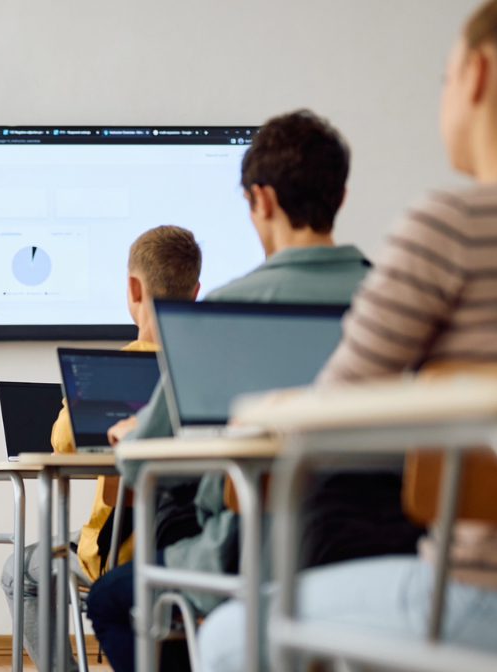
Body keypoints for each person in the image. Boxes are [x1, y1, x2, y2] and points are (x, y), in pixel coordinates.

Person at [198, 1, 497, 669]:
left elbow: (325, 419)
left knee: (226, 636)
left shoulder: (451, 226)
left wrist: (278, 411)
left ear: (478, 76)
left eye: (445, 77)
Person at [88, 109, 380, 671]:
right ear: (339, 196)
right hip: (380, 542)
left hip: (258, 549)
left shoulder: (227, 310)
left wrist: (132, 433)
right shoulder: (393, 299)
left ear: (262, 201)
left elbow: (143, 460)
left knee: (110, 598)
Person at [0, 225, 202, 671]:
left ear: (133, 288)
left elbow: (63, 444)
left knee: (19, 572)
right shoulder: (213, 370)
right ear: (196, 291)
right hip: (205, 545)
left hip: (122, 549)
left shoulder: (114, 370)